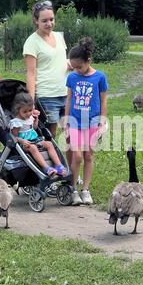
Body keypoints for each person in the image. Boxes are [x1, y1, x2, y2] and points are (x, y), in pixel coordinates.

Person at [63, 37, 108, 205]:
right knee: (77, 156)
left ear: (88, 61)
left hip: (92, 122)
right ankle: (73, 189)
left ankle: (86, 190)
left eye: (79, 66)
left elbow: (103, 101)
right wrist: (66, 121)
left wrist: (102, 122)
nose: (76, 70)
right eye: (73, 67)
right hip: (75, 122)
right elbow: (69, 100)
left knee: (88, 155)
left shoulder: (100, 77)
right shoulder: (72, 78)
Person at [23, 0, 72, 138]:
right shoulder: (31, 42)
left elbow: (61, 60)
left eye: (51, 19)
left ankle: (69, 160)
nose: (49, 23)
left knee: (70, 133)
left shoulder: (58, 37)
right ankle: (52, 160)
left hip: (66, 92)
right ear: (36, 20)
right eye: (44, 20)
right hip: (47, 96)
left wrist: (71, 64)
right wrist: (30, 102)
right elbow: (31, 73)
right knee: (51, 135)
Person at [10, 92, 67, 177]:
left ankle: (59, 166)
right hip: (24, 144)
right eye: (25, 112)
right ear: (17, 110)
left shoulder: (29, 117)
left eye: (30, 110)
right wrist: (22, 141)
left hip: (35, 139)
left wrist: (35, 120)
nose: (28, 113)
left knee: (49, 144)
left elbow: (35, 128)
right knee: (33, 148)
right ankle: (47, 168)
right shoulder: (16, 122)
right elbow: (13, 136)